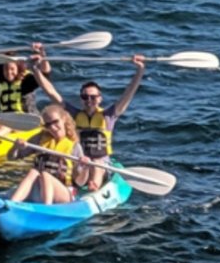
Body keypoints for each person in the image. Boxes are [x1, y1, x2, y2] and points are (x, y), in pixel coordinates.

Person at [32, 53, 146, 191]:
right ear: (81, 99)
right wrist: (35, 69)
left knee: (96, 162)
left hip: (101, 164)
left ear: (100, 98)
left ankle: (94, 186)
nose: (89, 100)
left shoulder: (109, 116)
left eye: (93, 97)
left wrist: (140, 70)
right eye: (85, 97)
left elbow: (128, 94)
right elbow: (51, 93)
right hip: (79, 162)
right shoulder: (74, 114)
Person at [8, 104, 93, 204]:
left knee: (45, 174)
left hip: (64, 193)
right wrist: (16, 147)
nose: (52, 127)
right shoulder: (39, 139)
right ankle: (12, 203)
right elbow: (11, 157)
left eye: (55, 122)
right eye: (48, 125)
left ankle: (47, 207)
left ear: (64, 119)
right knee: (34, 172)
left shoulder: (74, 147)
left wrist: (86, 167)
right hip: (39, 189)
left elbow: (80, 182)